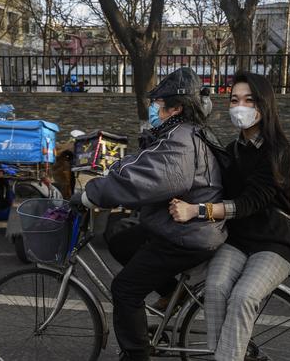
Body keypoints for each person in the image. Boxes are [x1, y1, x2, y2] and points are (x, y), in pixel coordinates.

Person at [72, 67, 227, 361]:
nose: (154, 109)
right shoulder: (180, 133)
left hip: (187, 234)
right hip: (179, 226)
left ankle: (136, 355)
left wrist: (90, 195)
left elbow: (145, 180)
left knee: (125, 289)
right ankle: (172, 294)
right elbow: (142, 164)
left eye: (158, 105)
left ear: (176, 108)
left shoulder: (180, 141)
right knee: (120, 240)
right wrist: (108, 179)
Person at [169, 71, 290, 361]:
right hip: (238, 239)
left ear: (264, 105)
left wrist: (196, 211)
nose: (240, 106)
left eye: (249, 100)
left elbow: (248, 203)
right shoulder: (232, 149)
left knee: (243, 297)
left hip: (273, 242)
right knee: (214, 290)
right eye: (234, 100)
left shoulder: (278, 150)